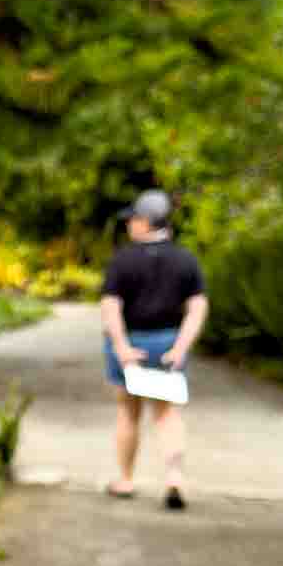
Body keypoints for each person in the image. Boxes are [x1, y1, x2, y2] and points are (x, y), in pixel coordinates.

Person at [98, 190, 208, 509]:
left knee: (127, 413)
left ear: (146, 222)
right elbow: (198, 307)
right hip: (166, 345)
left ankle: (126, 479)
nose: (130, 225)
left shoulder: (122, 260)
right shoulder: (185, 260)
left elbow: (110, 308)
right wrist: (181, 346)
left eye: (133, 219)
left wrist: (122, 347)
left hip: (133, 344)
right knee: (167, 413)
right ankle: (174, 476)